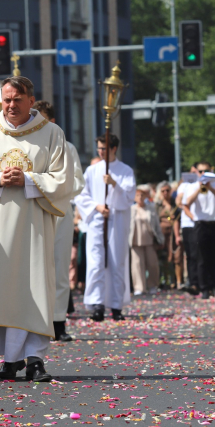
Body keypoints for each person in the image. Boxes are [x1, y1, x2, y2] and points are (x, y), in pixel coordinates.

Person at [0, 75, 71, 382]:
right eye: (6, 100)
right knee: (3, 290)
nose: (11, 105)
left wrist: (30, 180)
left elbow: (64, 180)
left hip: (36, 227)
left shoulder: (51, 134)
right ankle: (10, 360)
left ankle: (35, 358)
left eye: (17, 100)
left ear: (31, 102)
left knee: (34, 289)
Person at [31, 100, 84, 341]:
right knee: (32, 269)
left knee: (59, 269)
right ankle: (33, 322)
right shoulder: (29, 146)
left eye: (40, 120)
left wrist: (50, 188)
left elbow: (76, 183)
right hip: (32, 211)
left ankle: (58, 322)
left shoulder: (67, 147)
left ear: (51, 121)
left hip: (59, 213)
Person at [75, 133, 135, 321]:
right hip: (96, 220)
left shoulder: (125, 170)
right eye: (99, 148)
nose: (101, 152)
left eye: (104, 148)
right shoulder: (92, 171)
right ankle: (96, 304)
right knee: (96, 262)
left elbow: (128, 197)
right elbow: (81, 194)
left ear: (113, 148)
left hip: (116, 221)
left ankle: (116, 305)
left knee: (117, 262)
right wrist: (97, 207)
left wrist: (114, 184)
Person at [182, 162, 215, 299]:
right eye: (201, 171)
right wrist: (200, 188)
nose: (203, 174)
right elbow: (187, 203)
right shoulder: (192, 187)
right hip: (201, 225)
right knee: (202, 258)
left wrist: (210, 188)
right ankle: (205, 288)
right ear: (197, 172)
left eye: (206, 171)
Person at [130, 185, 164, 295]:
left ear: (145, 196)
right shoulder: (131, 209)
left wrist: (160, 238)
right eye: (137, 195)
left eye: (142, 195)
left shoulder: (151, 209)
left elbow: (157, 226)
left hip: (149, 240)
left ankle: (153, 285)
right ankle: (139, 287)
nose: (140, 197)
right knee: (137, 265)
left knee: (152, 264)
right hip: (135, 241)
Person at [175, 164, 201, 295]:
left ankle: (202, 282)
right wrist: (178, 201)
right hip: (187, 224)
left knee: (199, 254)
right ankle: (193, 282)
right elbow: (178, 199)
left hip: (199, 222)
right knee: (190, 255)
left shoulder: (200, 184)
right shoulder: (183, 185)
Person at [155, 181, 179, 288]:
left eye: (167, 190)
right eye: (163, 191)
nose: (165, 193)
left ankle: (176, 281)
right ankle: (163, 280)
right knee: (162, 258)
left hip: (173, 233)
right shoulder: (157, 205)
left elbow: (178, 217)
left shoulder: (175, 203)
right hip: (161, 234)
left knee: (176, 257)